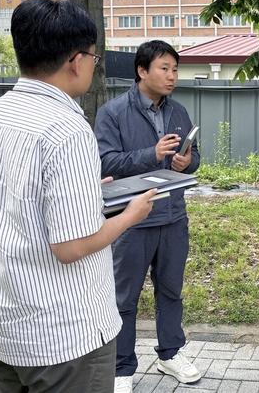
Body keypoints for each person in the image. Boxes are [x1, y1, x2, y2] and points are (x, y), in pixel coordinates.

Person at [0, 0, 157, 393]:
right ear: (76, 60)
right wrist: (130, 215)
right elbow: (72, 246)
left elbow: (12, 199)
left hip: (4, 325)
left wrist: (85, 192)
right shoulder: (67, 128)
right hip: (65, 333)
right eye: (94, 58)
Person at [94, 40, 201, 392]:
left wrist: (188, 162)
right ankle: (122, 368)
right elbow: (106, 163)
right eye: (164, 69)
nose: (172, 76)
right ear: (142, 71)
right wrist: (151, 154)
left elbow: (192, 157)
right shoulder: (113, 112)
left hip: (173, 217)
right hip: (131, 220)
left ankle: (170, 354)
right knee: (124, 298)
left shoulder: (179, 112)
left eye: (174, 69)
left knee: (171, 292)